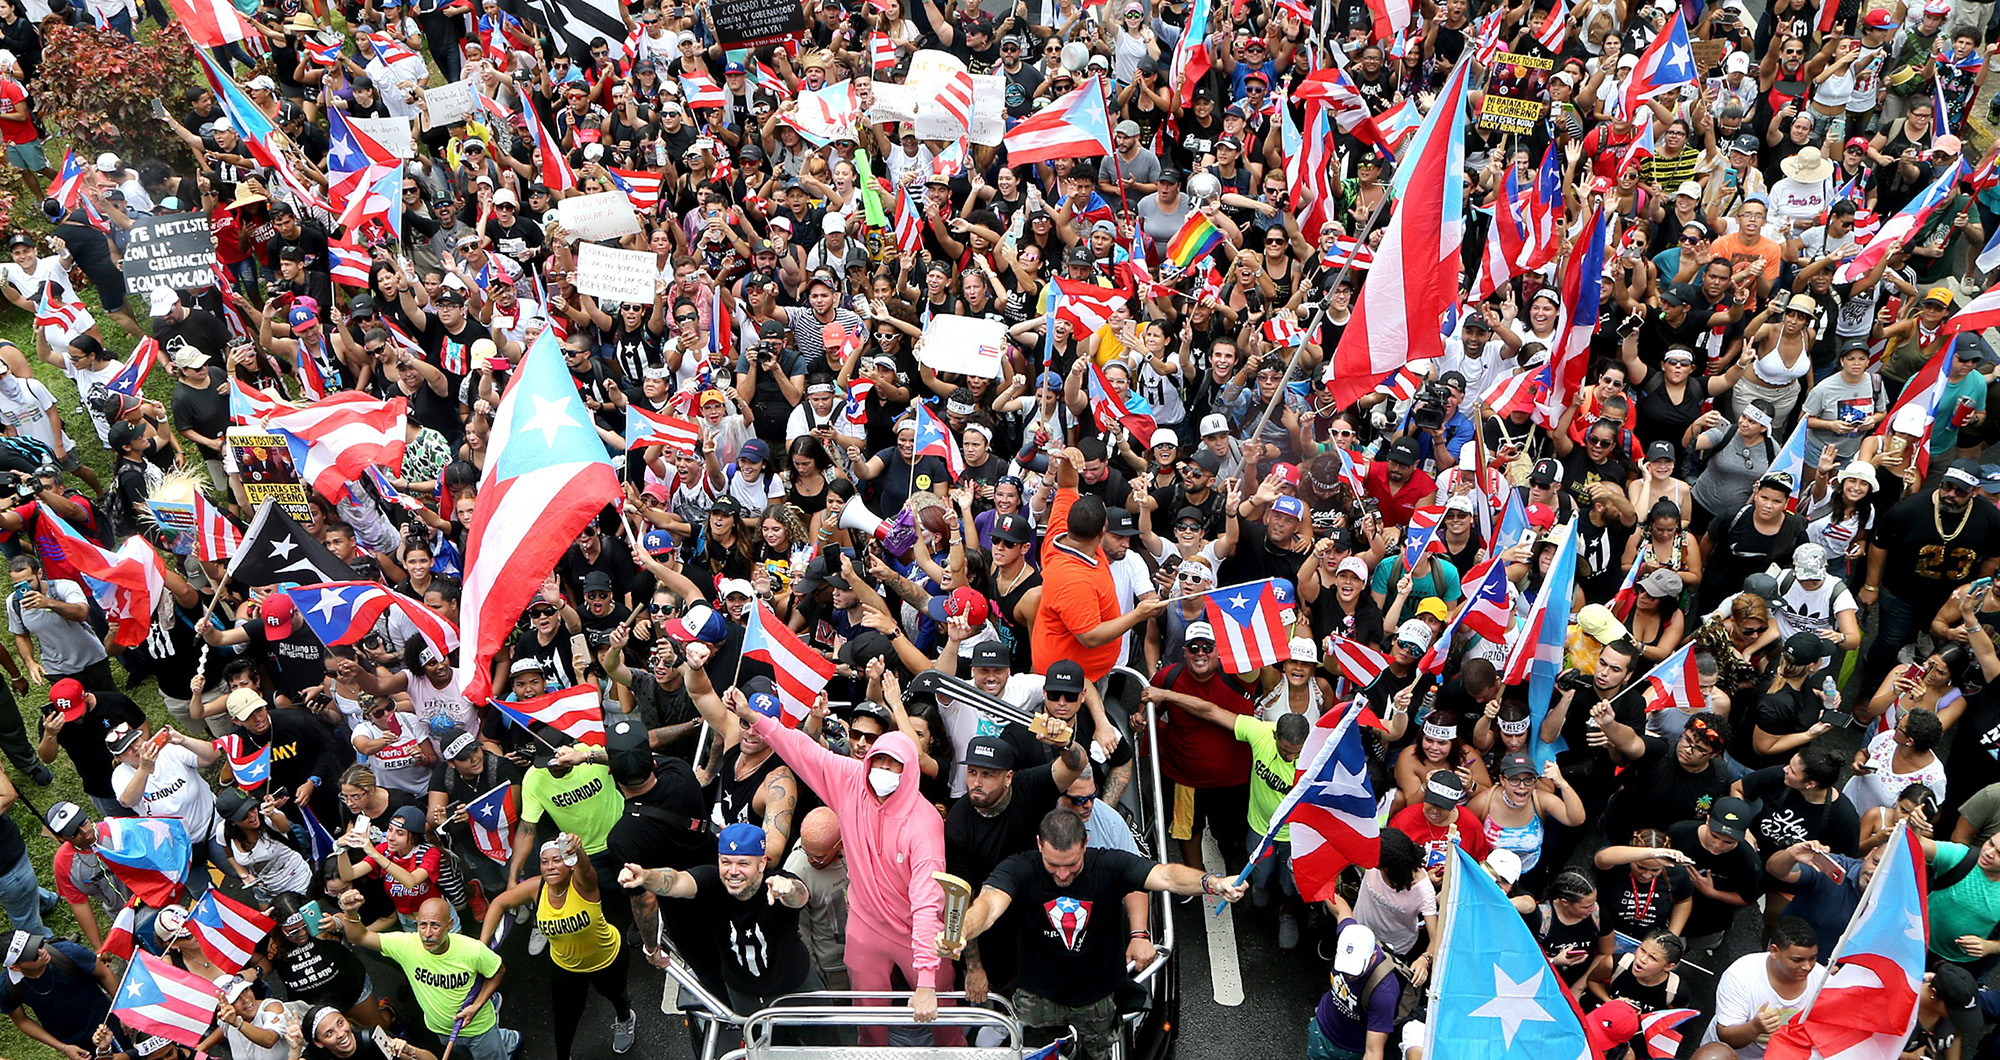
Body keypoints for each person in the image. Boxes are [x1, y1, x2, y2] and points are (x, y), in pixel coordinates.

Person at [938, 810, 1244, 1055]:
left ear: (1085, 843)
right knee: (1035, 1053)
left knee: (1099, 1054)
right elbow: (989, 905)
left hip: (1098, 997)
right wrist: (962, 930)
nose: (1062, 874)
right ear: (1039, 844)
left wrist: (1212, 883)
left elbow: (1166, 876)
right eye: (1053, 864)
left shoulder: (1109, 864)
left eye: (1071, 864)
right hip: (1037, 996)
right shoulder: (1019, 868)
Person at [620, 823, 823, 1022]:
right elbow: (676, 880)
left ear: (762, 863)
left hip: (795, 986)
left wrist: (788, 889)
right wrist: (645, 876)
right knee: (756, 1040)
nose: (733, 871)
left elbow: (800, 896)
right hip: (742, 992)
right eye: (726, 862)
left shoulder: (775, 884)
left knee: (821, 1035)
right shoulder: (711, 882)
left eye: (743, 863)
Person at [480, 834, 635, 1058]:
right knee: (565, 1018)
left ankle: (625, 1018)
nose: (550, 866)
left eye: (557, 860)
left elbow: (586, 868)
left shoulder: (583, 884)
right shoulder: (537, 888)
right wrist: (482, 946)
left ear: (570, 864)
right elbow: (498, 903)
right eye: (545, 861)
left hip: (606, 958)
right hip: (565, 966)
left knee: (614, 995)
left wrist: (577, 851)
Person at [333, 891, 516, 1060]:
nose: (427, 934)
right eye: (422, 925)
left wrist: (477, 1005)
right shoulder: (406, 946)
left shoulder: (472, 950)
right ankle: (504, 1039)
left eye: (435, 926)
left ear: (449, 925)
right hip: (441, 1030)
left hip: (478, 1029)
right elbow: (359, 937)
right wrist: (350, 912)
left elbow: (498, 971)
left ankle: (507, 1041)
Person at [1698, 917, 1826, 1060]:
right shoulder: (1740, 976)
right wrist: (1755, 1027)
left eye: (1812, 958)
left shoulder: (1822, 979)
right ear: (1774, 951)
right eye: (1797, 960)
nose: (1807, 967)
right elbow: (1726, 1036)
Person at [1, 928, 117, 1057]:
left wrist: (123, 1009)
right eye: (33, 955)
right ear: (15, 967)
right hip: (75, 1043)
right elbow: (21, 1021)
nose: (42, 951)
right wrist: (63, 1047)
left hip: (108, 1023)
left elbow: (104, 974)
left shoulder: (67, 952)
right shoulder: (8, 988)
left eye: (39, 944)